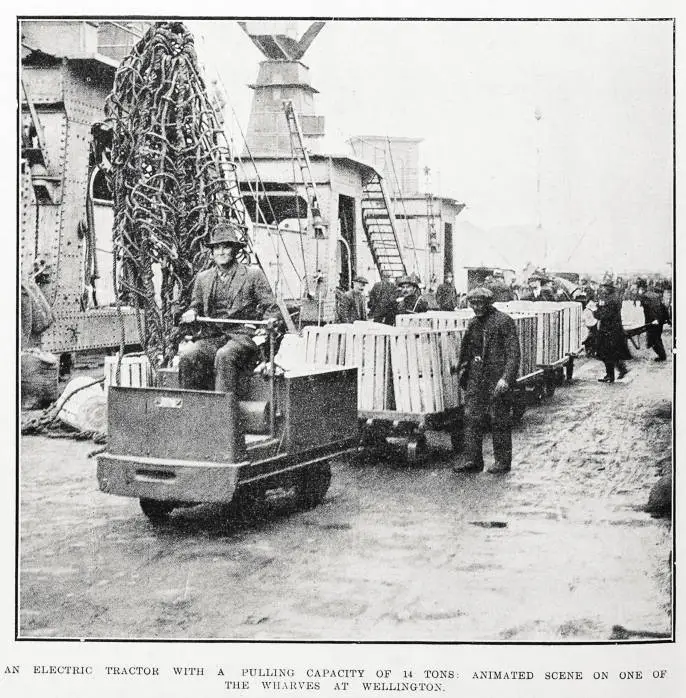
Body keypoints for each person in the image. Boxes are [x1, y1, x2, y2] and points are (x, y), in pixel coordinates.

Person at [178, 221, 281, 394]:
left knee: (225, 355)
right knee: (189, 355)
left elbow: (271, 308)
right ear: (212, 252)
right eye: (217, 248)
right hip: (212, 338)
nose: (221, 252)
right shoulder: (203, 278)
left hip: (243, 338)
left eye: (226, 247)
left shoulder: (252, 275)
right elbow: (195, 306)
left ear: (235, 250)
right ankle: (192, 414)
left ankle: (223, 417)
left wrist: (266, 326)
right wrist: (191, 312)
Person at [454, 287, 521, 475]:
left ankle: (502, 462)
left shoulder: (504, 321)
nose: (475, 307)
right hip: (476, 378)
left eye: (479, 303)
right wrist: (463, 372)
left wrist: (506, 378)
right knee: (471, 418)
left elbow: (513, 353)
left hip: (497, 378)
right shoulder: (473, 324)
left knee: (499, 419)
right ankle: (473, 461)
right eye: (472, 303)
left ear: (489, 302)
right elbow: (466, 351)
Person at [593, 280, 631, 382]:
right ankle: (620, 370)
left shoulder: (610, 300)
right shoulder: (614, 297)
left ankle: (610, 375)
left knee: (607, 353)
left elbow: (603, 315)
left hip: (608, 330)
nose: (602, 289)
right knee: (612, 353)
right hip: (614, 329)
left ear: (609, 288)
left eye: (604, 287)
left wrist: (595, 311)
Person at [636, 278, 670, 361]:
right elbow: (663, 307)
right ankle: (662, 355)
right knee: (657, 337)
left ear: (641, 288)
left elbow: (651, 309)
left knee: (654, 339)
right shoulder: (655, 294)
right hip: (660, 319)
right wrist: (666, 318)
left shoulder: (645, 296)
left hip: (654, 321)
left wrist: (654, 320)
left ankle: (662, 356)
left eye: (638, 289)